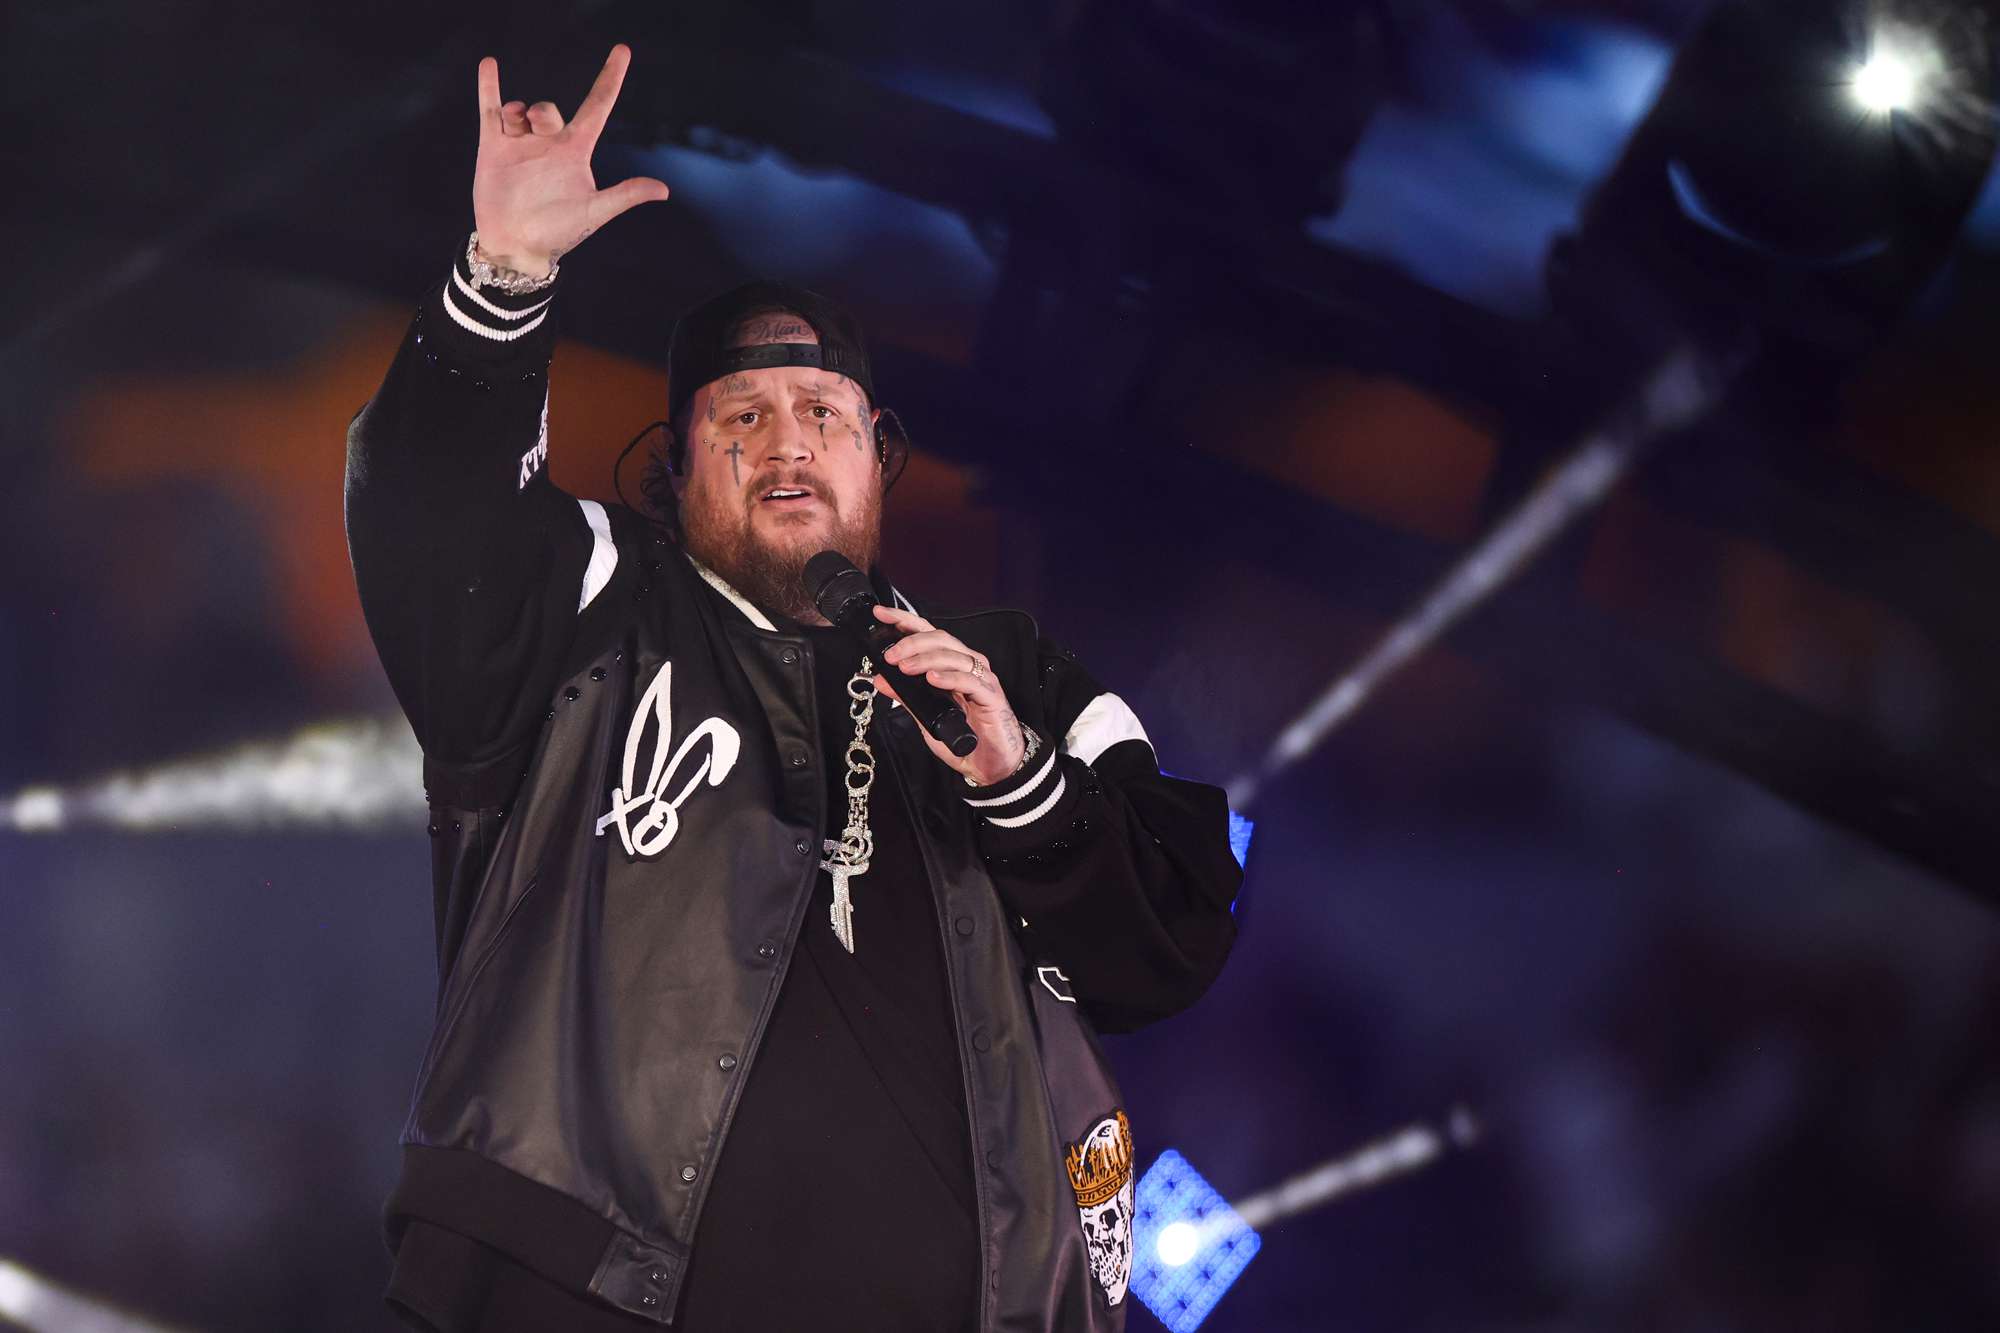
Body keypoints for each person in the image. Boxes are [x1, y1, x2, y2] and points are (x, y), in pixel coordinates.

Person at [343, 43, 1243, 1332]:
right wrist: (505, 277)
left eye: (823, 411)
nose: (786, 443)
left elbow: (1173, 942)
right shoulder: (599, 605)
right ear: (680, 467)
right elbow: (426, 519)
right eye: (740, 417)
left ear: (879, 461)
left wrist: (1020, 786)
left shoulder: (1011, 674)